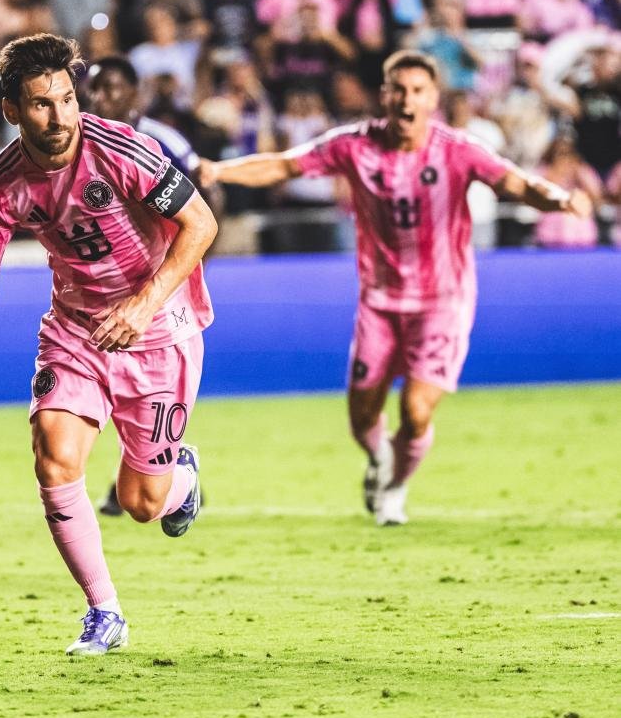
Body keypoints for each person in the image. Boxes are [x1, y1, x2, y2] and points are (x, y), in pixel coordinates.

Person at [200, 50, 592, 526]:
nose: (407, 100)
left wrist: (559, 198)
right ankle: (380, 458)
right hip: (380, 302)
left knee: (417, 407)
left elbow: (515, 183)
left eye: (418, 91)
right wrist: (219, 171)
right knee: (363, 416)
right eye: (398, 90)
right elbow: (285, 165)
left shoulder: (456, 149)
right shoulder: (354, 146)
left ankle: (395, 488)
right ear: (385, 95)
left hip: (442, 300)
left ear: (433, 99)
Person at [0, 34, 217, 655]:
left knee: (140, 502)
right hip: (76, 329)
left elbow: (201, 223)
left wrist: (143, 305)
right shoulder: (1, 185)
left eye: (66, 99)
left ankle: (181, 482)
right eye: (41, 104)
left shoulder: (123, 150)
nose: (60, 116)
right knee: (53, 455)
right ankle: (104, 612)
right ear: (11, 109)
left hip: (157, 328)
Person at [84, 54, 218, 516]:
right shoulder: (81, 145)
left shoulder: (161, 142)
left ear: (134, 94)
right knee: (109, 385)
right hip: (108, 294)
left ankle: (161, 472)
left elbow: (206, 202)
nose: (102, 98)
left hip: (164, 290)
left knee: (149, 385)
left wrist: (184, 273)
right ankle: (147, 475)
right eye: (95, 89)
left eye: (113, 89)